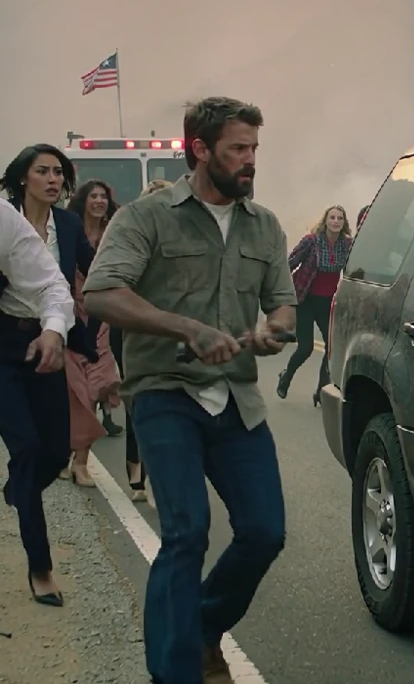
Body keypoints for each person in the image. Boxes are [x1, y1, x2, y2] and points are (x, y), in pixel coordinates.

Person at [82, 96, 297, 684]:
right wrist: (188, 329)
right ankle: (174, 671)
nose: (251, 160)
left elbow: (282, 304)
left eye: (254, 148)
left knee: (265, 532)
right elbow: (100, 293)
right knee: (186, 532)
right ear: (199, 149)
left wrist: (274, 331)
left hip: (237, 399)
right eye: (238, 149)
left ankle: (203, 626)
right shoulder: (146, 218)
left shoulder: (265, 225)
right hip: (164, 393)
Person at [1, 145, 100, 488]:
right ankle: (25, 494)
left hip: (53, 336)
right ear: (23, 178)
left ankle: (23, 487)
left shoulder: (68, 223)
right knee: (25, 441)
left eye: (58, 172)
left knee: (57, 448)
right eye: (42, 171)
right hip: (6, 335)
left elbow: (94, 270)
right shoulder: (6, 218)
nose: (52, 179)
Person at [0, 198, 75, 607]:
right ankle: (40, 567)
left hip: (32, 342)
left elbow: (51, 284)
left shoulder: (3, 218)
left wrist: (54, 329)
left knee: (56, 453)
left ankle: (20, 488)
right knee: (26, 449)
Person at [111, 177, 174, 505]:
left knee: (169, 404)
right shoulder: (130, 239)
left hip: (173, 334)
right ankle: (136, 470)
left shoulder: (188, 242)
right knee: (138, 401)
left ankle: (161, 474)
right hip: (132, 332)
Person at [61, 180, 122, 489]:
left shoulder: (115, 232)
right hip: (69, 318)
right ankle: (65, 454)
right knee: (75, 392)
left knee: (98, 386)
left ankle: (81, 462)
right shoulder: (68, 232)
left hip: (103, 319)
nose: (99, 201)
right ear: (83, 200)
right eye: (93, 196)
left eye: (103, 196)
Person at [276, 205, 351, 406]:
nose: (336, 221)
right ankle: (286, 376)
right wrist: (281, 292)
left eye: (340, 218)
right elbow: (289, 264)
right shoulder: (312, 241)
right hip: (306, 301)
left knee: (331, 349)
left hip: (327, 304)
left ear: (344, 222)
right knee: (306, 348)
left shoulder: (347, 244)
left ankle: (321, 391)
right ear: (325, 220)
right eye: (332, 217)